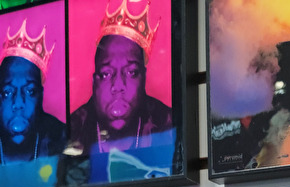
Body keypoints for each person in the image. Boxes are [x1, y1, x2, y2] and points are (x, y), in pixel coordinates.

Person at [67, 0, 171, 156]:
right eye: (106, 74)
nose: (118, 86)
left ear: (143, 78)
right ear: (94, 82)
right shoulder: (73, 129)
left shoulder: (167, 124)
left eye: (131, 72)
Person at [0, 20, 65, 164]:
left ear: (40, 96)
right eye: (7, 92)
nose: (18, 103)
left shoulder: (61, 137)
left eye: (30, 91)